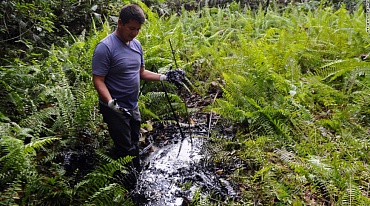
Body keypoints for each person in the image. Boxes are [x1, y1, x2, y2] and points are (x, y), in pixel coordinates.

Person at [92, 4, 174, 187]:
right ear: (120, 23)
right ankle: (127, 185)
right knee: (124, 146)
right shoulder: (105, 48)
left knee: (134, 140)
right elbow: (98, 80)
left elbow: (141, 73)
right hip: (114, 107)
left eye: (138, 29)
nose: (135, 33)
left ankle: (136, 174)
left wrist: (165, 77)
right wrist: (111, 103)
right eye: (131, 28)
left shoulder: (136, 45)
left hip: (132, 104)